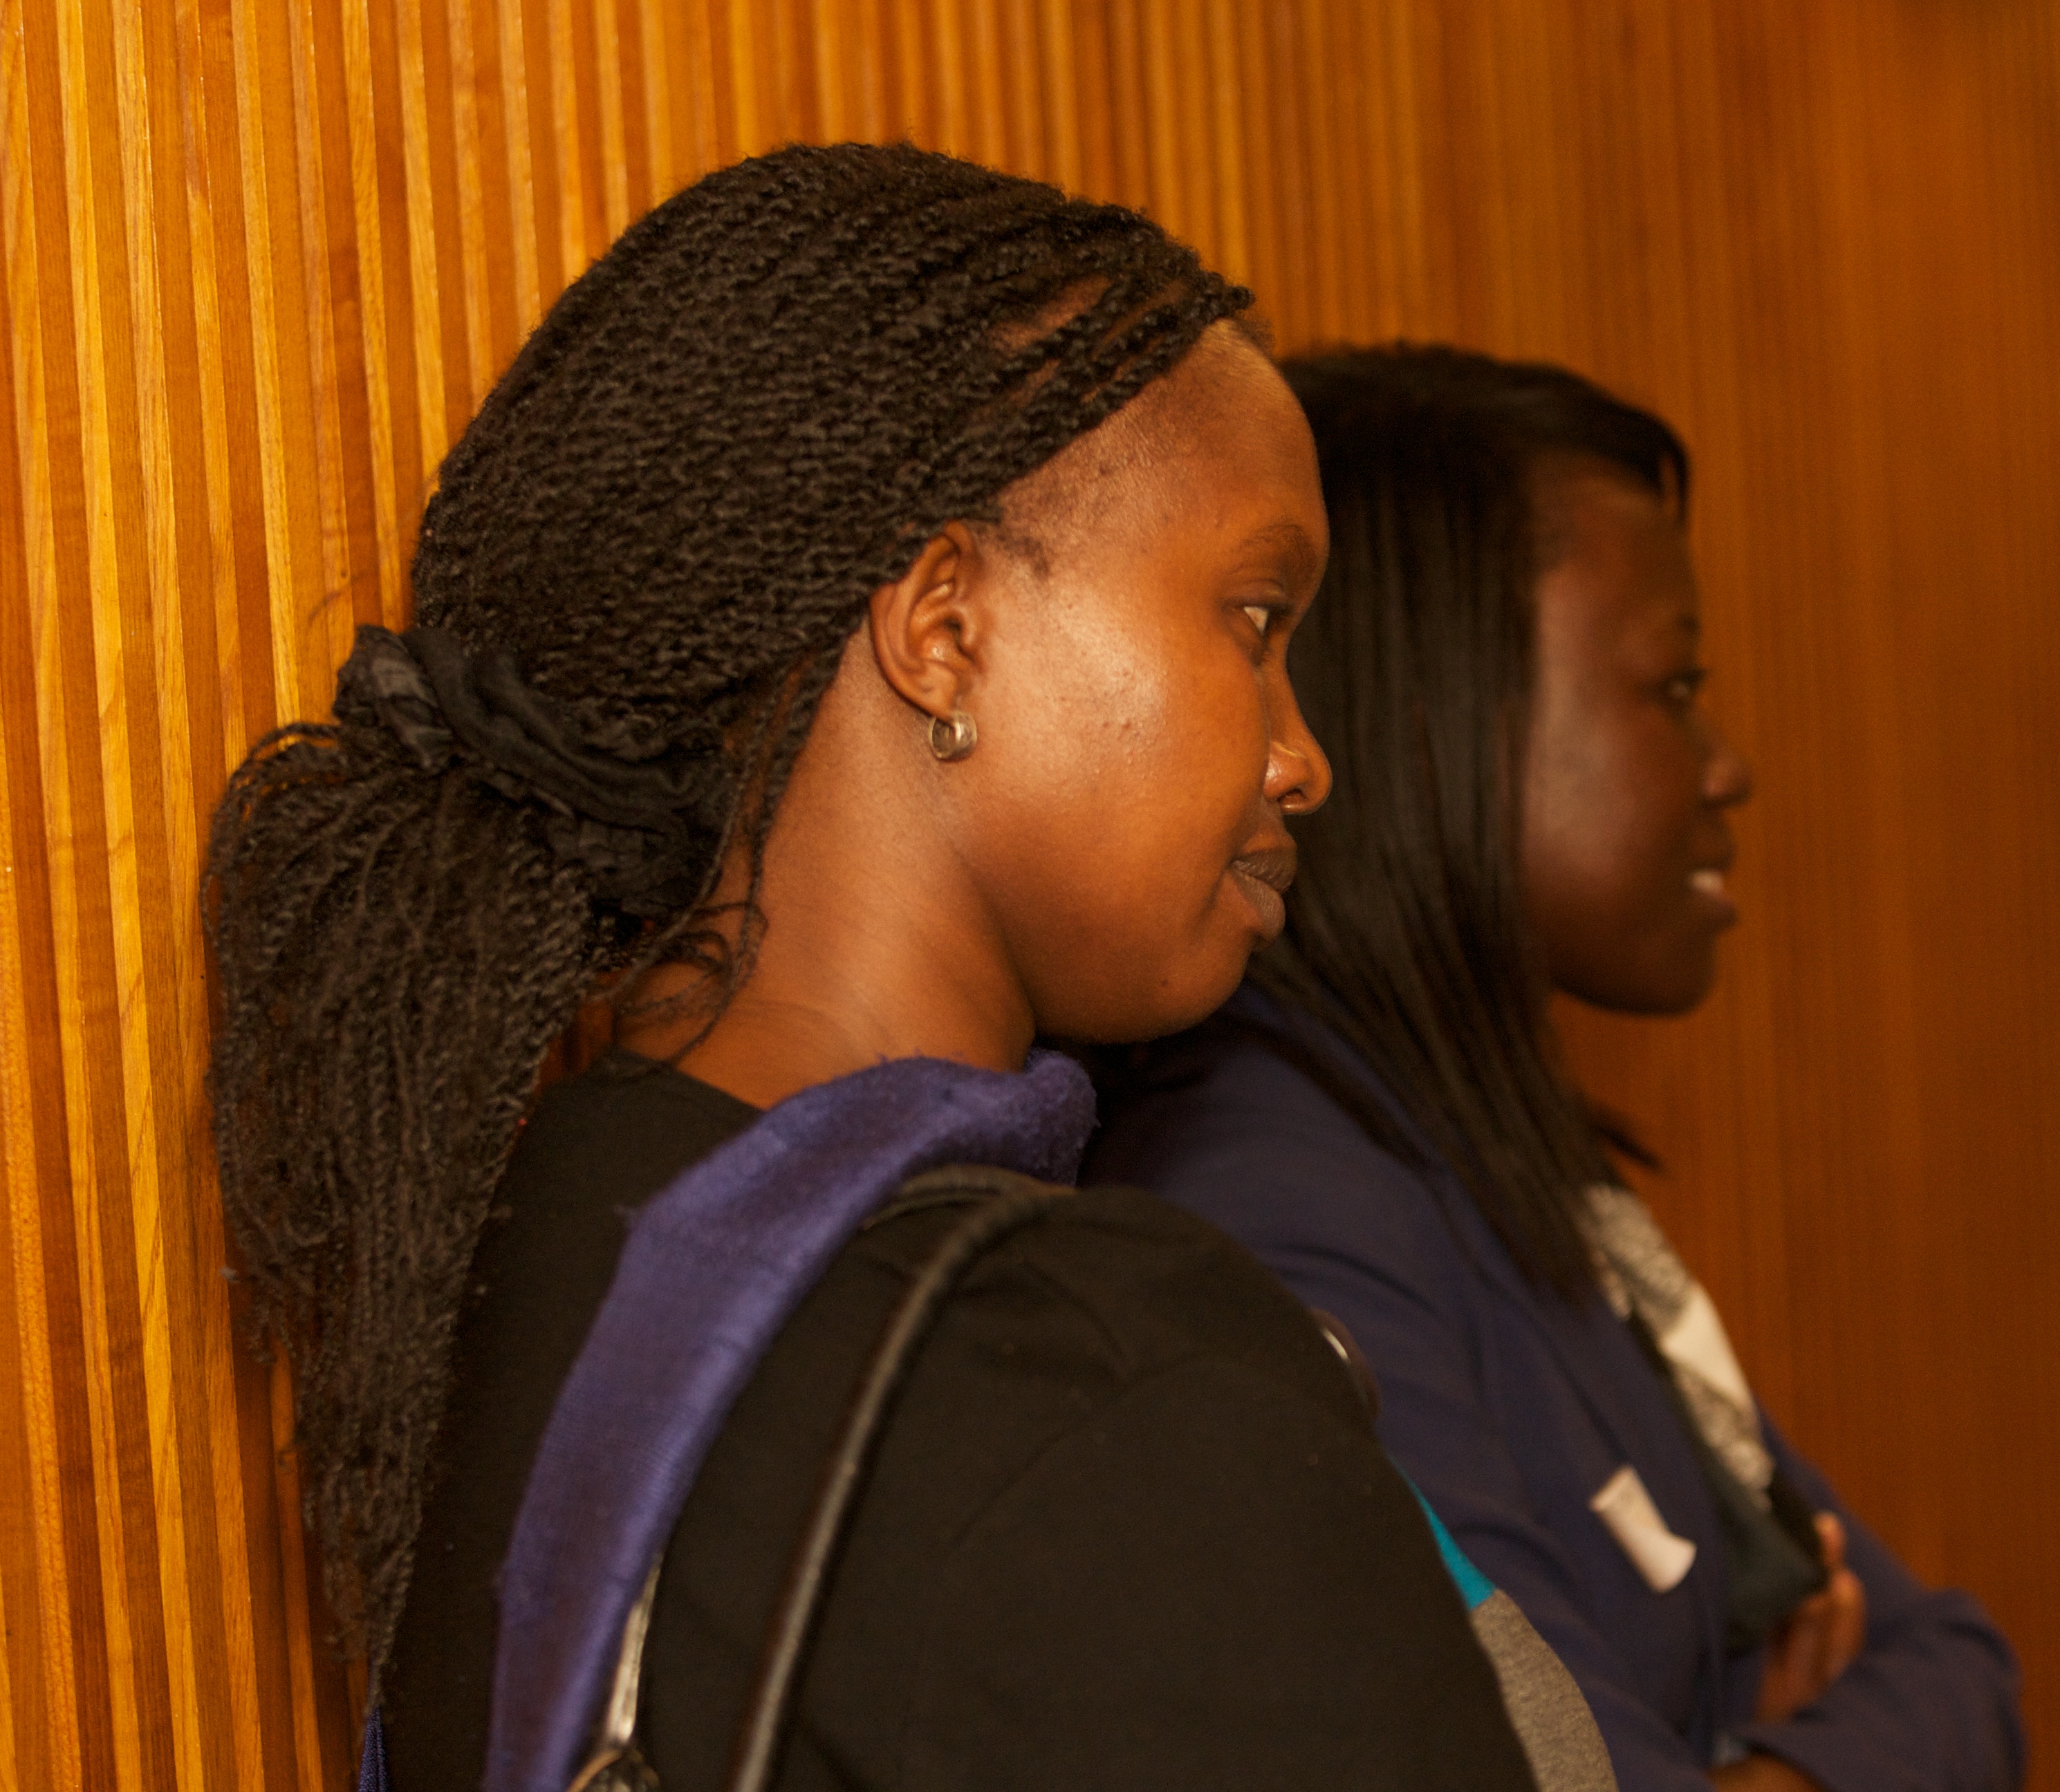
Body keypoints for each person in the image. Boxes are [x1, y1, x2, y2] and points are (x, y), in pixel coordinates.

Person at [203, 150, 1561, 1792]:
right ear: (944, 630)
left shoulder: (539, 1242)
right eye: (1257, 620)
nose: (1302, 757)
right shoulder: (1090, 1378)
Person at [1086, 346, 2026, 1792]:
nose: (1727, 766)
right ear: (1441, 719)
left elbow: (1957, 1668)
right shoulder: (1273, 1209)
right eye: (1674, 687)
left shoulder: (1489, 1150)